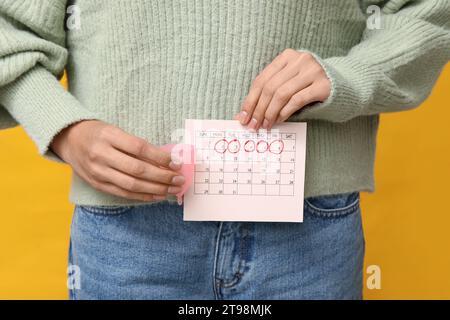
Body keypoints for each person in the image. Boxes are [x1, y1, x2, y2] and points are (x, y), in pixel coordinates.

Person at [0, 0, 449, 300]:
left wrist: (350, 75)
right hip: (129, 228)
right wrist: (64, 129)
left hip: (308, 229)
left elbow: (428, 12)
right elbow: (9, 28)